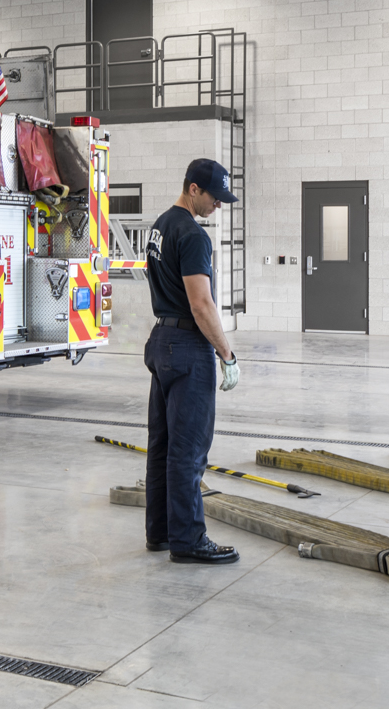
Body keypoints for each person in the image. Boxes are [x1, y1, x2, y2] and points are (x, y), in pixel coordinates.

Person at [143, 157, 242, 564]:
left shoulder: (159, 227)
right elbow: (202, 305)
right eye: (214, 197)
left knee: (162, 446)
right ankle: (189, 541)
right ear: (194, 189)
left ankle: (161, 533)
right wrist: (227, 354)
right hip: (187, 346)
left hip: (162, 340)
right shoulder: (193, 236)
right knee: (189, 450)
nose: (217, 205)